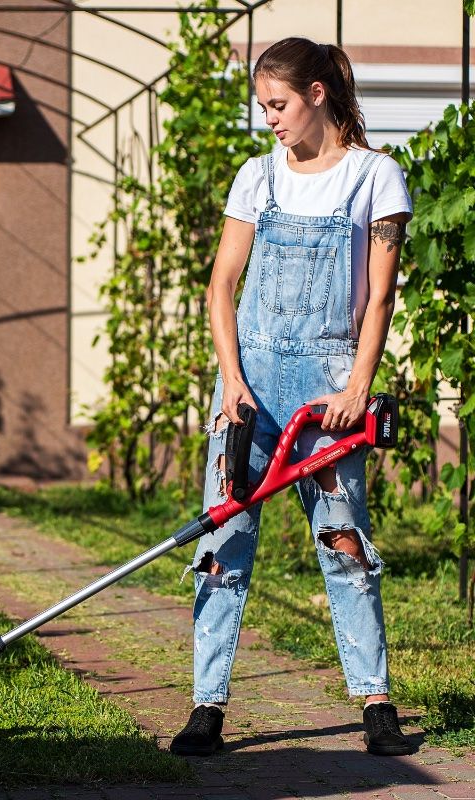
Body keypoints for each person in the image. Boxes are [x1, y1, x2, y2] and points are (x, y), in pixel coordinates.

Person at [170, 37, 413, 758]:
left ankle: (376, 703)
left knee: (344, 542)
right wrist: (233, 383)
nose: (269, 119)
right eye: (262, 106)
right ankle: (206, 708)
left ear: (316, 95)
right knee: (223, 545)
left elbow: (378, 301)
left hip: (329, 390)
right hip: (250, 388)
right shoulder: (256, 176)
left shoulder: (377, 178)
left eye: (278, 104)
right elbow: (221, 287)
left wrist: (356, 388)